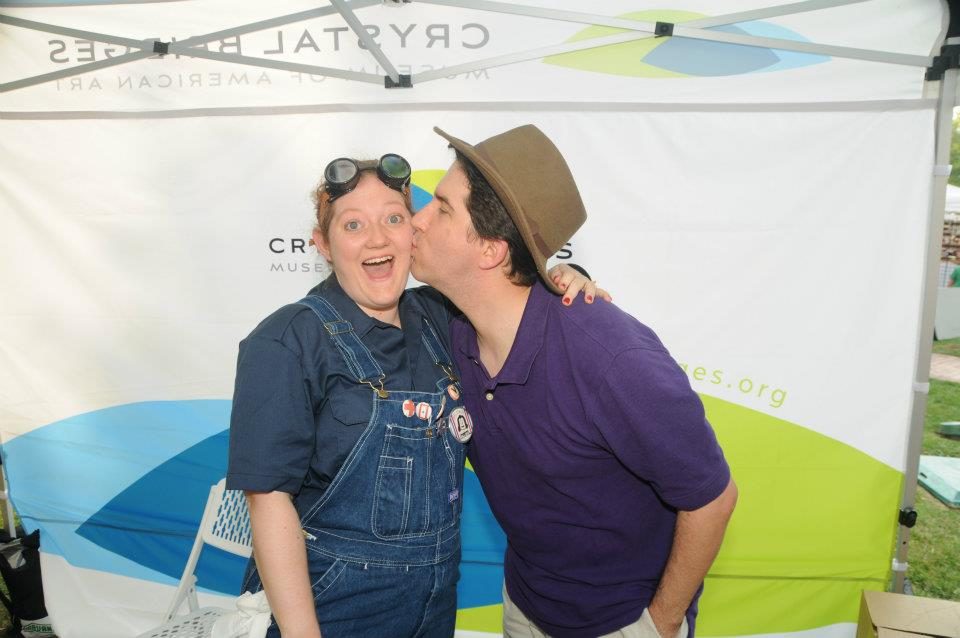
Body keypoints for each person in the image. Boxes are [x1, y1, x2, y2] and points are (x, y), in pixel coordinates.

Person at [226, 153, 601, 638]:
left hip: (435, 601)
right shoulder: (286, 341)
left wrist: (566, 280)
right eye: (353, 224)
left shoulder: (439, 317)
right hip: (331, 605)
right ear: (322, 244)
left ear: (413, 234)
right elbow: (268, 500)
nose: (377, 238)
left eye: (394, 218)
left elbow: (510, 296)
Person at [409, 125, 738, 638]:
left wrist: (661, 624)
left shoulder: (613, 360)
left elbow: (712, 498)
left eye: (443, 208)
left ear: (492, 251)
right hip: (525, 603)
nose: (419, 218)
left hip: (622, 622)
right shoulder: (443, 327)